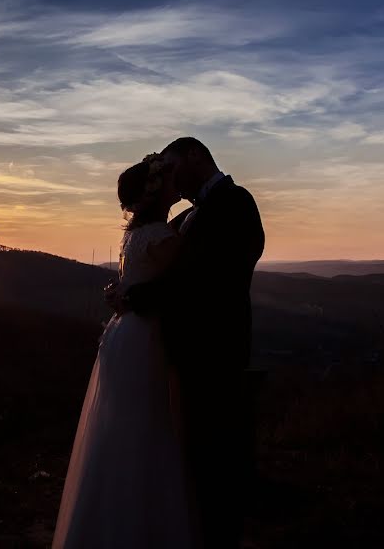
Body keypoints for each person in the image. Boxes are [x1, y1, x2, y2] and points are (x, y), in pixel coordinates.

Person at [115, 137, 265, 548]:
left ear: (195, 156)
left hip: (216, 351)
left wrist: (133, 296)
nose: (171, 176)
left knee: (217, 459)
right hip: (181, 353)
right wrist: (129, 287)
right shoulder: (185, 217)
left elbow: (202, 279)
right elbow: (163, 269)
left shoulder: (237, 203)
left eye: (174, 165)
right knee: (190, 459)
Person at [53, 152, 198, 548]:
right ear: (156, 191)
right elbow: (188, 282)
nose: (176, 183)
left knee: (123, 429)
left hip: (123, 333)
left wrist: (123, 293)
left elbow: (136, 280)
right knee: (146, 429)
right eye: (169, 179)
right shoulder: (164, 238)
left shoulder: (135, 235)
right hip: (142, 336)